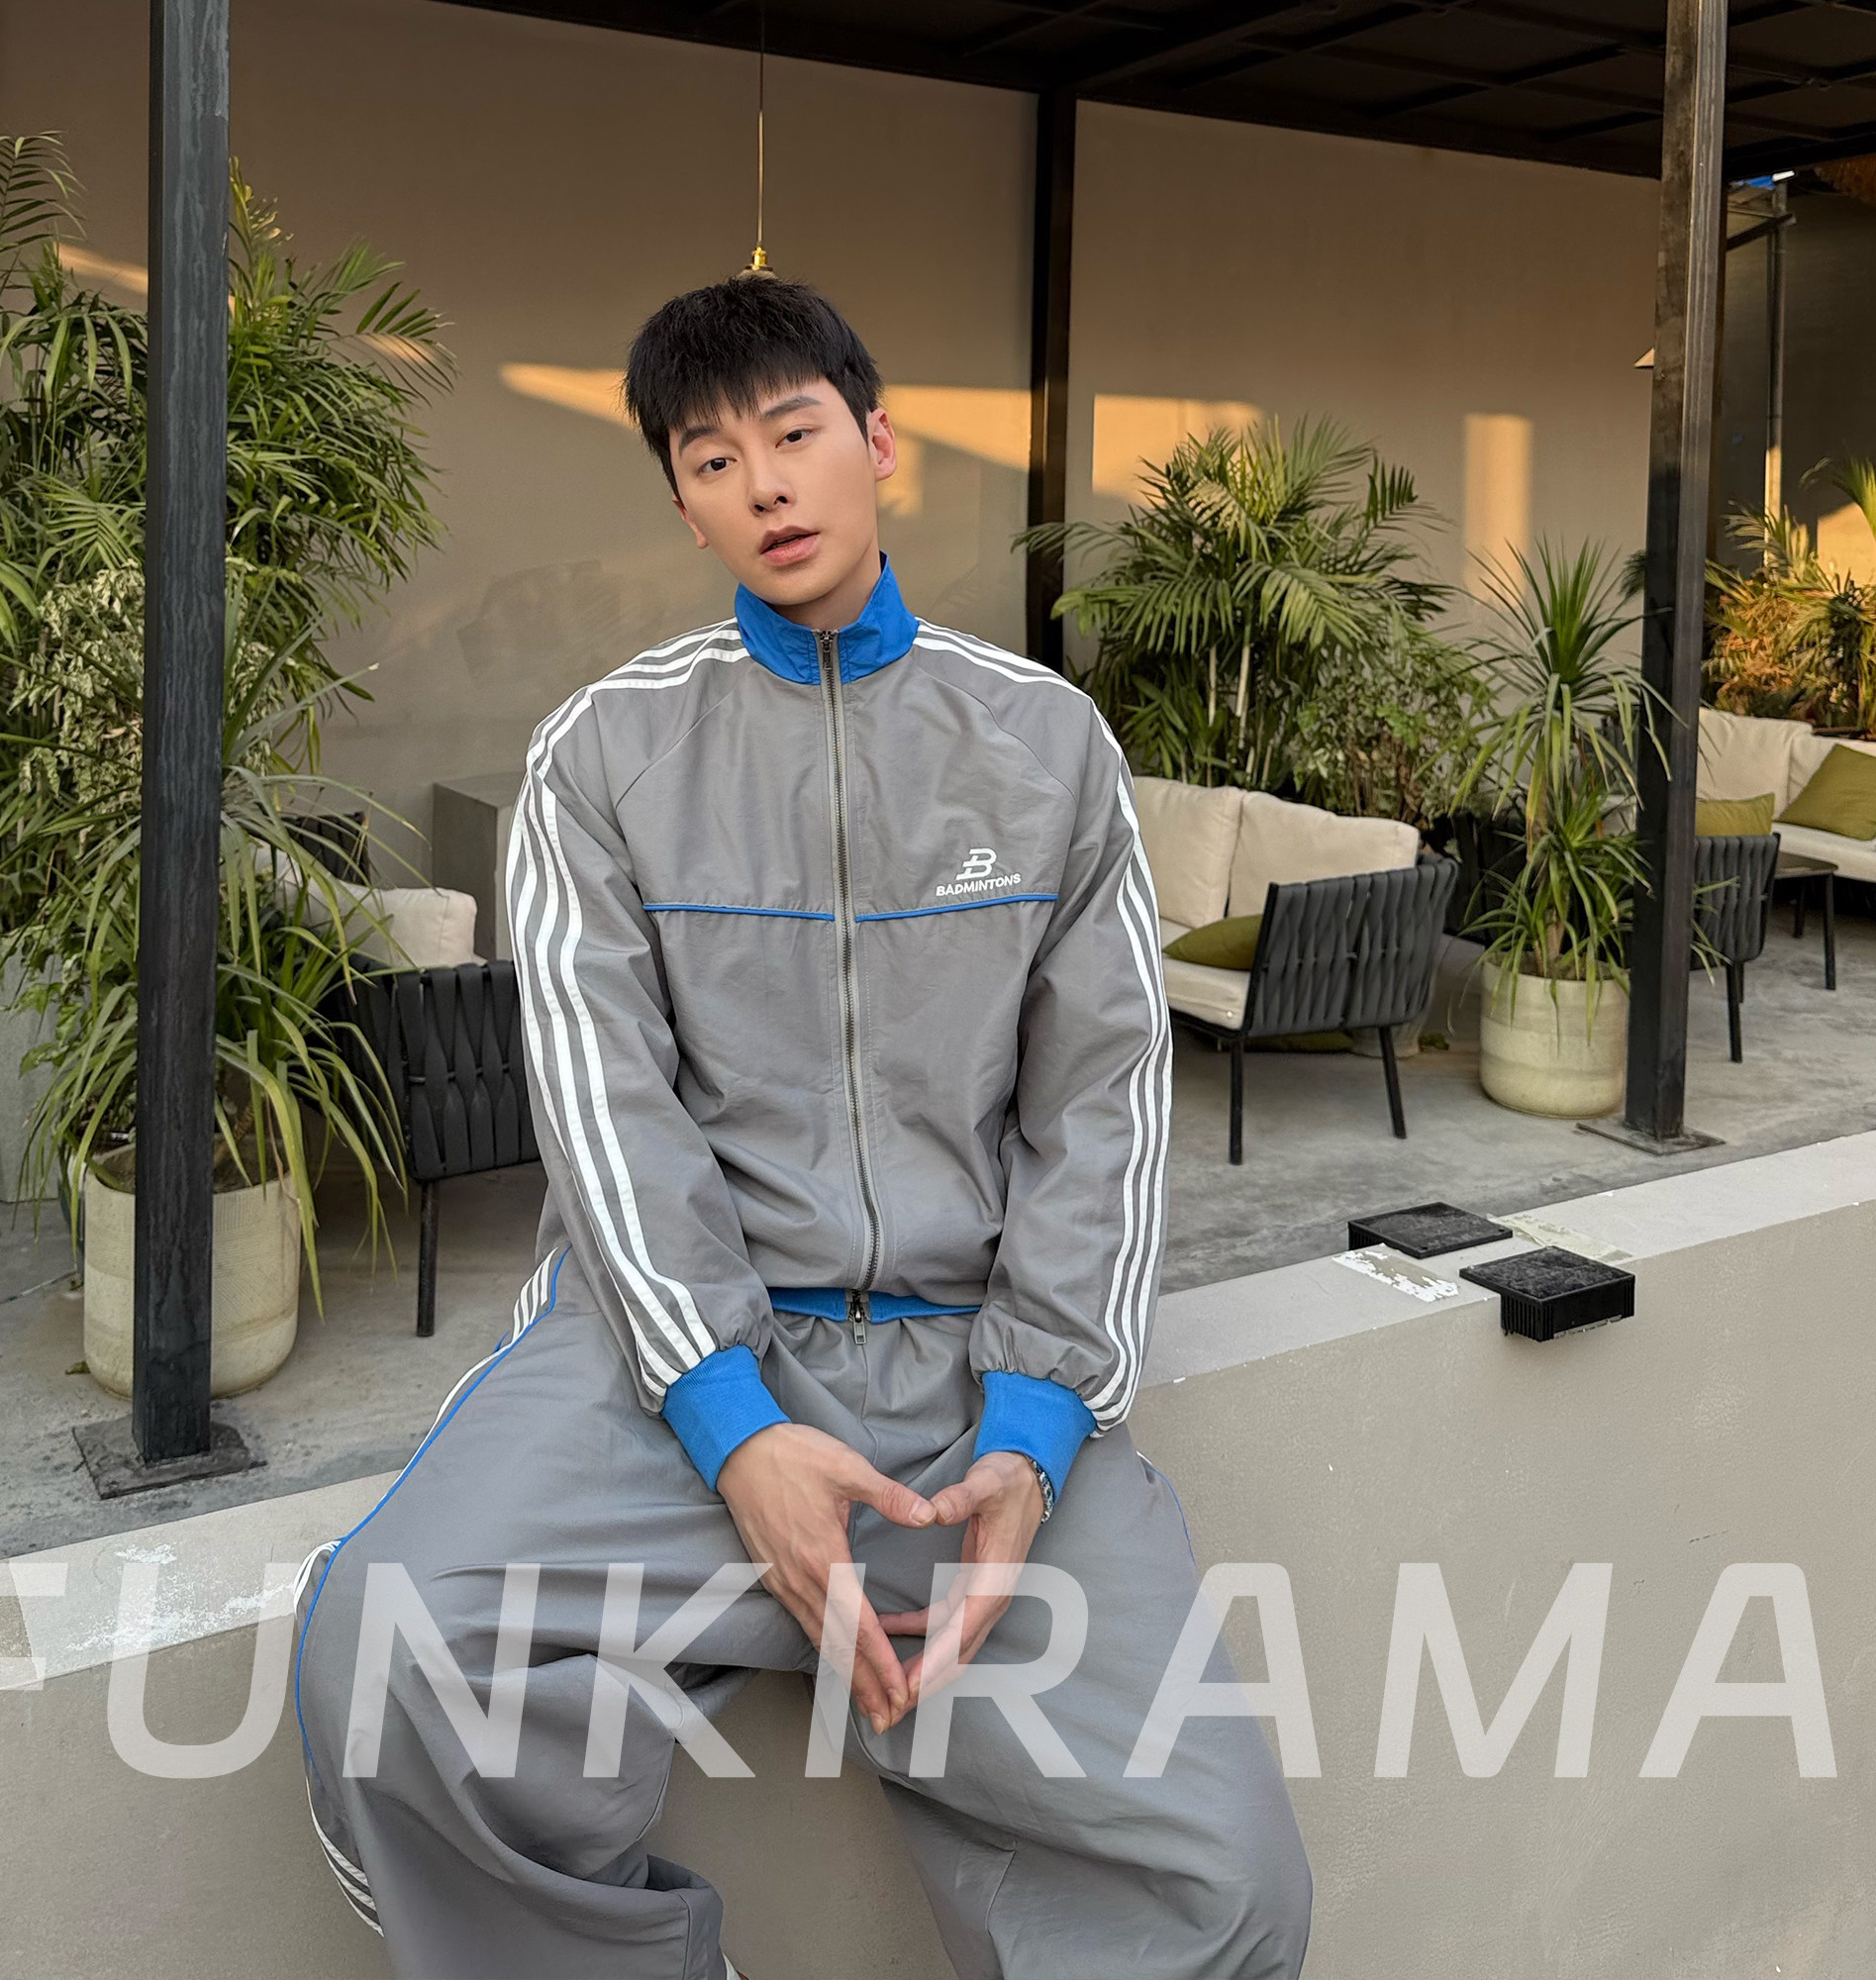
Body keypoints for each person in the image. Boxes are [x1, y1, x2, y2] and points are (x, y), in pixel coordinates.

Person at [291, 272, 1312, 1980]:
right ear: (683, 505)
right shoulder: (602, 757)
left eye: (792, 433)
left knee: (1230, 1885)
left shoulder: (1049, 746)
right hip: (666, 1370)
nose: (762, 483)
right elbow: (607, 1120)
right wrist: (732, 1425)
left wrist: (1037, 1429)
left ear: (878, 443)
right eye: (710, 460)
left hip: (973, 1380)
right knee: (387, 1661)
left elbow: (1107, 1104)